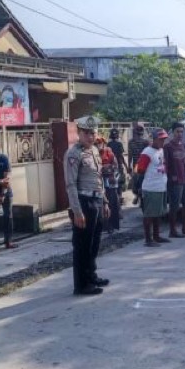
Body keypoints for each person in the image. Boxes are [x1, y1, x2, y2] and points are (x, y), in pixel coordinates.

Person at [64, 122, 111, 296]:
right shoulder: (73, 154)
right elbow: (70, 184)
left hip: (96, 200)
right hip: (83, 202)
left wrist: (105, 201)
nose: (90, 136)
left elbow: (98, 179)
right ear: (79, 133)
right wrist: (77, 211)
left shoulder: (94, 151)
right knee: (82, 245)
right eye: (87, 133)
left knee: (94, 243)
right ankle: (81, 284)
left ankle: (91, 276)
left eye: (93, 133)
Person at [135, 129, 171, 247]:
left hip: (161, 186)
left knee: (158, 213)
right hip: (151, 187)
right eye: (161, 139)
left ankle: (156, 236)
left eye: (164, 139)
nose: (163, 141)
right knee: (149, 214)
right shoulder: (147, 152)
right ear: (154, 139)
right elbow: (140, 169)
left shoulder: (161, 150)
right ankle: (148, 239)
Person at [164, 122, 185, 237]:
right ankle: (172, 231)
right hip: (174, 181)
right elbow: (166, 165)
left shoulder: (184, 144)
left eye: (181, 132)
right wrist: (170, 178)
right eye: (177, 131)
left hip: (184, 179)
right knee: (174, 206)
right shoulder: (168, 146)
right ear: (173, 132)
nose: (180, 134)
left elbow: (183, 162)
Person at [96, 137, 121, 233]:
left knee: (112, 203)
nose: (98, 145)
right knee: (100, 204)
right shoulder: (93, 153)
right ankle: (102, 226)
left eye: (100, 143)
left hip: (109, 181)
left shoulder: (109, 152)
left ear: (103, 143)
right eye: (96, 143)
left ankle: (111, 225)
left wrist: (109, 171)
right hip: (98, 181)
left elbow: (115, 165)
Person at [128, 123, 150, 205]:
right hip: (142, 166)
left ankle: (138, 196)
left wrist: (128, 166)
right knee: (140, 182)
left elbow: (130, 155)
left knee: (137, 182)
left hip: (137, 166)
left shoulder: (132, 142)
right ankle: (139, 196)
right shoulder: (146, 142)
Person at [107, 128, 129, 204]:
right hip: (118, 166)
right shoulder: (119, 144)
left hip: (110, 166)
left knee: (112, 183)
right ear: (117, 135)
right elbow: (121, 156)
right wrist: (126, 166)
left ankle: (113, 199)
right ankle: (119, 198)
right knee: (119, 183)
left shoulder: (108, 144)